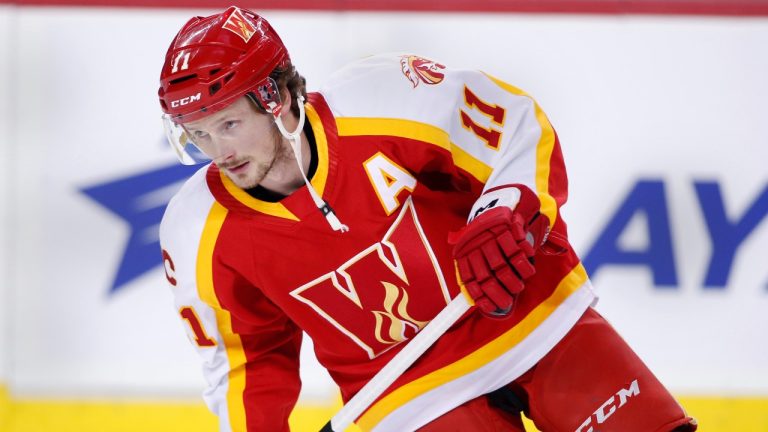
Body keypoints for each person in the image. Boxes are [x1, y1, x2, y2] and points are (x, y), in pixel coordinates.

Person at [157, 6, 697, 432]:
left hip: (531, 319)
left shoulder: (381, 99)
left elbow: (516, 127)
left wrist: (503, 211)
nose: (216, 151)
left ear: (273, 97)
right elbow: (246, 362)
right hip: (404, 400)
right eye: (198, 134)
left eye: (228, 124)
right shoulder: (195, 230)